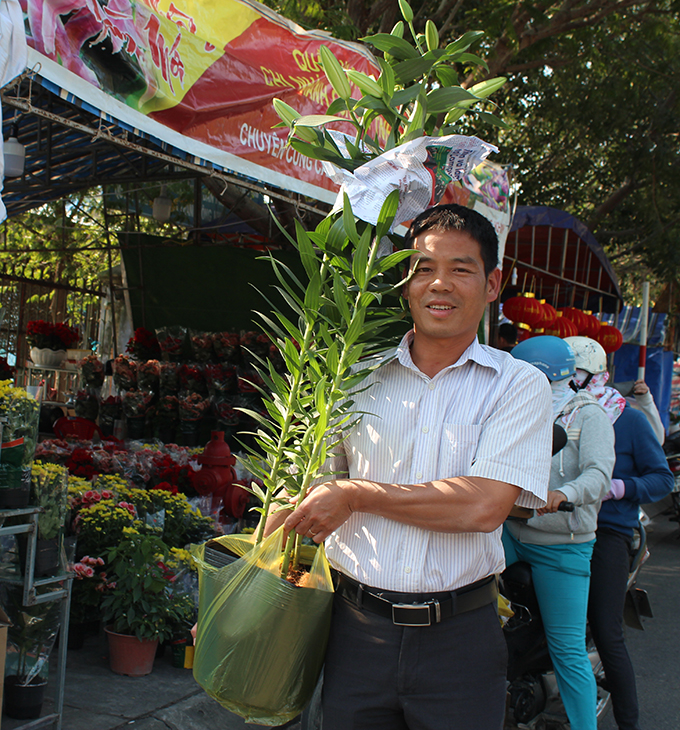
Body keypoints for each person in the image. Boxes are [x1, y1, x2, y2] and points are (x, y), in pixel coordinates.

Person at [269, 204, 553, 730]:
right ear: (404, 282)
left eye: (460, 269)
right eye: (423, 268)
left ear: (493, 284)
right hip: (353, 631)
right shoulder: (351, 378)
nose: (439, 284)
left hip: (460, 641)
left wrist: (357, 494)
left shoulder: (518, 386)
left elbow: (485, 506)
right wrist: (245, 594)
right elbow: (308, 488)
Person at [564, 336, 673, 730]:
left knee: (607, 631)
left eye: (574, 373)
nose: (568, 381)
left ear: (598, 376)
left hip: (606, 530)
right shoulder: (551, 412)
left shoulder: (626, 419)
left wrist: (618, 488)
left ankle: (629, 722)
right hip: (551, 526)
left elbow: (661, 478)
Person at [508, 335, 616, 730]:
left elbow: (598, 475)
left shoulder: (589, 416)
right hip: (509, 530)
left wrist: (562, 493)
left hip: (562, 545)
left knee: (567, 649)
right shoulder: (513, 409)